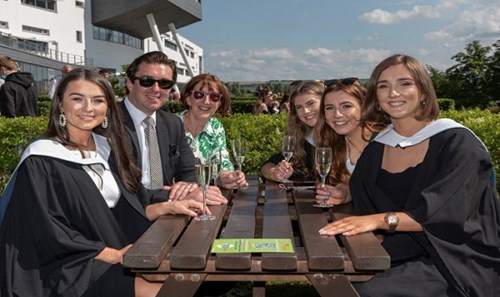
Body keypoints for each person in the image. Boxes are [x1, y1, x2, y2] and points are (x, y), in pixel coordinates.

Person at [0, 68, 207, 297]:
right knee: (169, 291)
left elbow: (128, 203)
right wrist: (110, 254)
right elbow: (46, 230)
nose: (88, 108)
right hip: (66, 266)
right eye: (77, 99)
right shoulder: (42, 158)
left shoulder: (106, 148)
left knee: (187, 280)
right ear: (60, 103)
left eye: (97, 100)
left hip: (111, 249)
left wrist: (166, 206)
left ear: (108, 107)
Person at [318, 54, 500, 296]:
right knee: (332, 278)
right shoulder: (378, 147)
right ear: (376, 97)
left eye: (404, 83)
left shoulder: (458, 143)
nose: (393, 93)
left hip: (457, 256)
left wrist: (379, 220)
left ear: (424, 91)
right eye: (384, 86)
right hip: (401, 249)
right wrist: (346, 191)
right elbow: (370, 187)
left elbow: (441, 211)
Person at [120, 51, 228, 205]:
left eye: (164, 83)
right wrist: (175, 196)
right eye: (146, 81)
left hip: (168, 217)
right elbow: (118, 189)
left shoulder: (172, 124)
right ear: (130, 83)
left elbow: (189, 171)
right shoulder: (108, 123)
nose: (156, 89)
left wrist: (188, 187)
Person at [314, 78, 386, 206]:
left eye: (346, 106)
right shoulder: (333, 144)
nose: (337, 114)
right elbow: (350, 184)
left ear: (364, 108)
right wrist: (343, 192)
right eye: (329, 108)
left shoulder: (385, 140)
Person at [178, 73, 248, 189]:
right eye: (199, 94)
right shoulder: (170, 126)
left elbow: (222, 164)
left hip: (204, 196)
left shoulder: (216, 127)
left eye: (214, 97)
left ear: (219, 102)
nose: (206, 101)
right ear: (188, 99)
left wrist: (227, 177)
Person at [260, 80, 325, 182]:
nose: (305, 111)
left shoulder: (343, 136)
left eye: (311, 103)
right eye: (299, 107)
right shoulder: (303, 138)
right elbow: (267, 166)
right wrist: (275, 173)